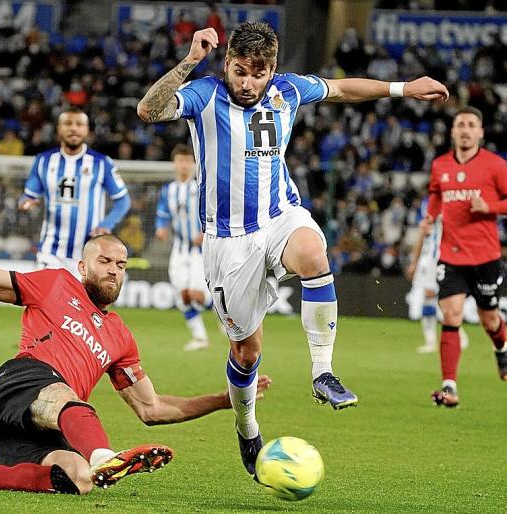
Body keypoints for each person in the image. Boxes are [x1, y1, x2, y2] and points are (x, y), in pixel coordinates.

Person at [137, 21, 448, 476]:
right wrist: (189, 61)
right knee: (245, 351)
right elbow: (148, 110)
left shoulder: (289, 90)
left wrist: (404, 88)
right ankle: (246, 425)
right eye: (240, 70)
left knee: (315, 254)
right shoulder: (205, 93)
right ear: (227, 64)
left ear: (273, 70)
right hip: (228, 241)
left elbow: (343, 88)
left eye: (258, 73)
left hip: (280, 216)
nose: (248, 82)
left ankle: (323, 372)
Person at [0, 219, 271, 494]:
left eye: (121, 264)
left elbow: (153, 408)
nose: (113, 270)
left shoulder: (121, 336)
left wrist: (223, 400)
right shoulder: (54, 285)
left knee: (76, 478)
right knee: (64, 399)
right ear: (82, 266)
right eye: (104, 261)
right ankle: (105, 456)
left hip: (31, 428)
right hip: (18, 384)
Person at [424, 107, 507, 407]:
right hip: (452, 255)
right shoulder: (440, 165)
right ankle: (449, 386)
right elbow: (436, 193)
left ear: (481, 132)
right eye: (460, 124)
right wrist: (431, 216)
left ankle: (502, 350)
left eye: (472, 124)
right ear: (453, 131)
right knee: (452, 315)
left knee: (490, 321)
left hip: (485, 256)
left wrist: (490, 208)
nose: (465, 130)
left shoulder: (495, 166)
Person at [19, 108, 131, 278]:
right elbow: (28, 195)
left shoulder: (101, 163)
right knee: (45, 304)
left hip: (88, 255)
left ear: (87, 130)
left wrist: (106, 225)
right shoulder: (43, 161)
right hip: (50, 252)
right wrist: (26, 202)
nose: (73, 128)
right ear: (58, 129)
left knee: (83, 305)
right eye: (68, 123)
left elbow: (123, 201)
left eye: (79, 124)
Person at [155, 144, 214, 351]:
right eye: (180, 160)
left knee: (196, 294)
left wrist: (205, 232)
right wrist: (161, 228)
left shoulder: (202, 188)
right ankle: (200, 338)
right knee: (183, 296)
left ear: (194, 164)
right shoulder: (168, 190)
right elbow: (162, 214)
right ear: (174, 164)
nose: (184, 165)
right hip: (178, 250)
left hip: (200, 250)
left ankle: (223, 315)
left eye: (187, 161)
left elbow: (214, 212)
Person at [405, 200, 471, 354]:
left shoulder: (453, 202)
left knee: (446, 300)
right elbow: (423, 232)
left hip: (444, 257)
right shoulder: (428, 203)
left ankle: (458, 334)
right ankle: (431, 341)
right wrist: (415, 260)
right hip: (429, 258)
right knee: (429, 297)